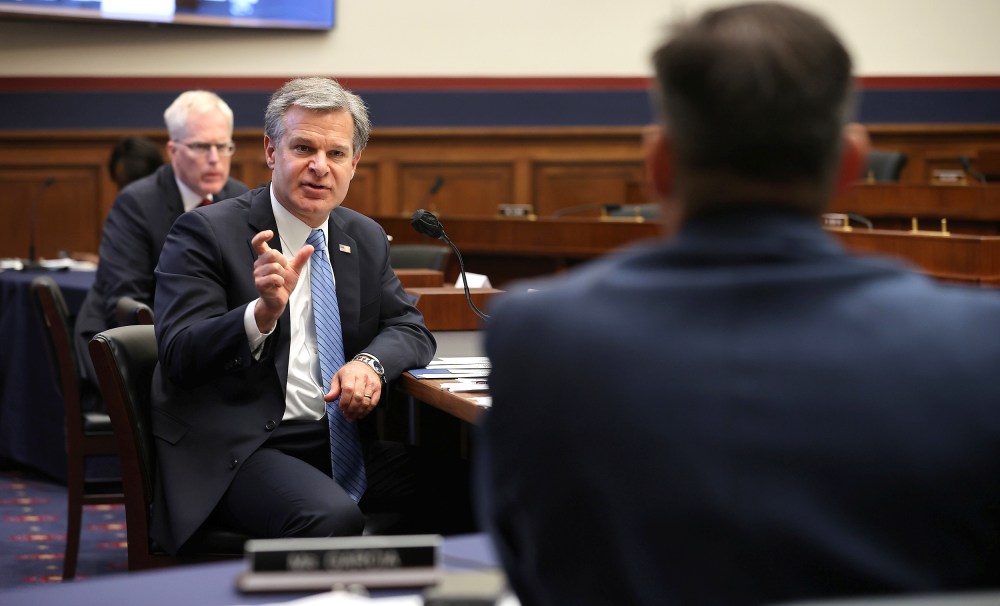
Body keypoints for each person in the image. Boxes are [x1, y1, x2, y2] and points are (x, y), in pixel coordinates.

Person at [475, 3, 1000, 605]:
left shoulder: (540, 335)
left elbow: (532, 565)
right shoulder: (980, 346)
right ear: (851, 165)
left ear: (659, 164)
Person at [149, 77, 469, 556]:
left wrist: (370, 364)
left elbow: (410, 328)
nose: (320, 167)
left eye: (337, 154)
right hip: (243, 449)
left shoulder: (360, 236)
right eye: (303, 148)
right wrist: (260, 315)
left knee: (483, 484)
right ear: (271, 150)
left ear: (355, 163)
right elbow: (178, 353)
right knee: (329, 515)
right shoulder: (205, 232)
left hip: (339, 442)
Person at [74, 91, 249, 399]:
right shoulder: (137, 203)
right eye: (200, 146)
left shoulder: (241, 199)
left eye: (223, 146)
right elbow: (125, 301)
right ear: (173, 150)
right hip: (133, 349)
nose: (214, 158)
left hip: (217, 350)